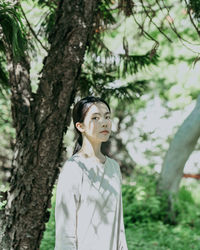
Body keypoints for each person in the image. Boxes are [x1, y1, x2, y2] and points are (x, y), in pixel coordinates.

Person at [55, 96, 128, 250]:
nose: (104, 122)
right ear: (80, 126)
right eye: (95, 118)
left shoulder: (114, 167)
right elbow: (65, 231)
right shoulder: (73, 168)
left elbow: (118, 224)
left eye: (107, 116)